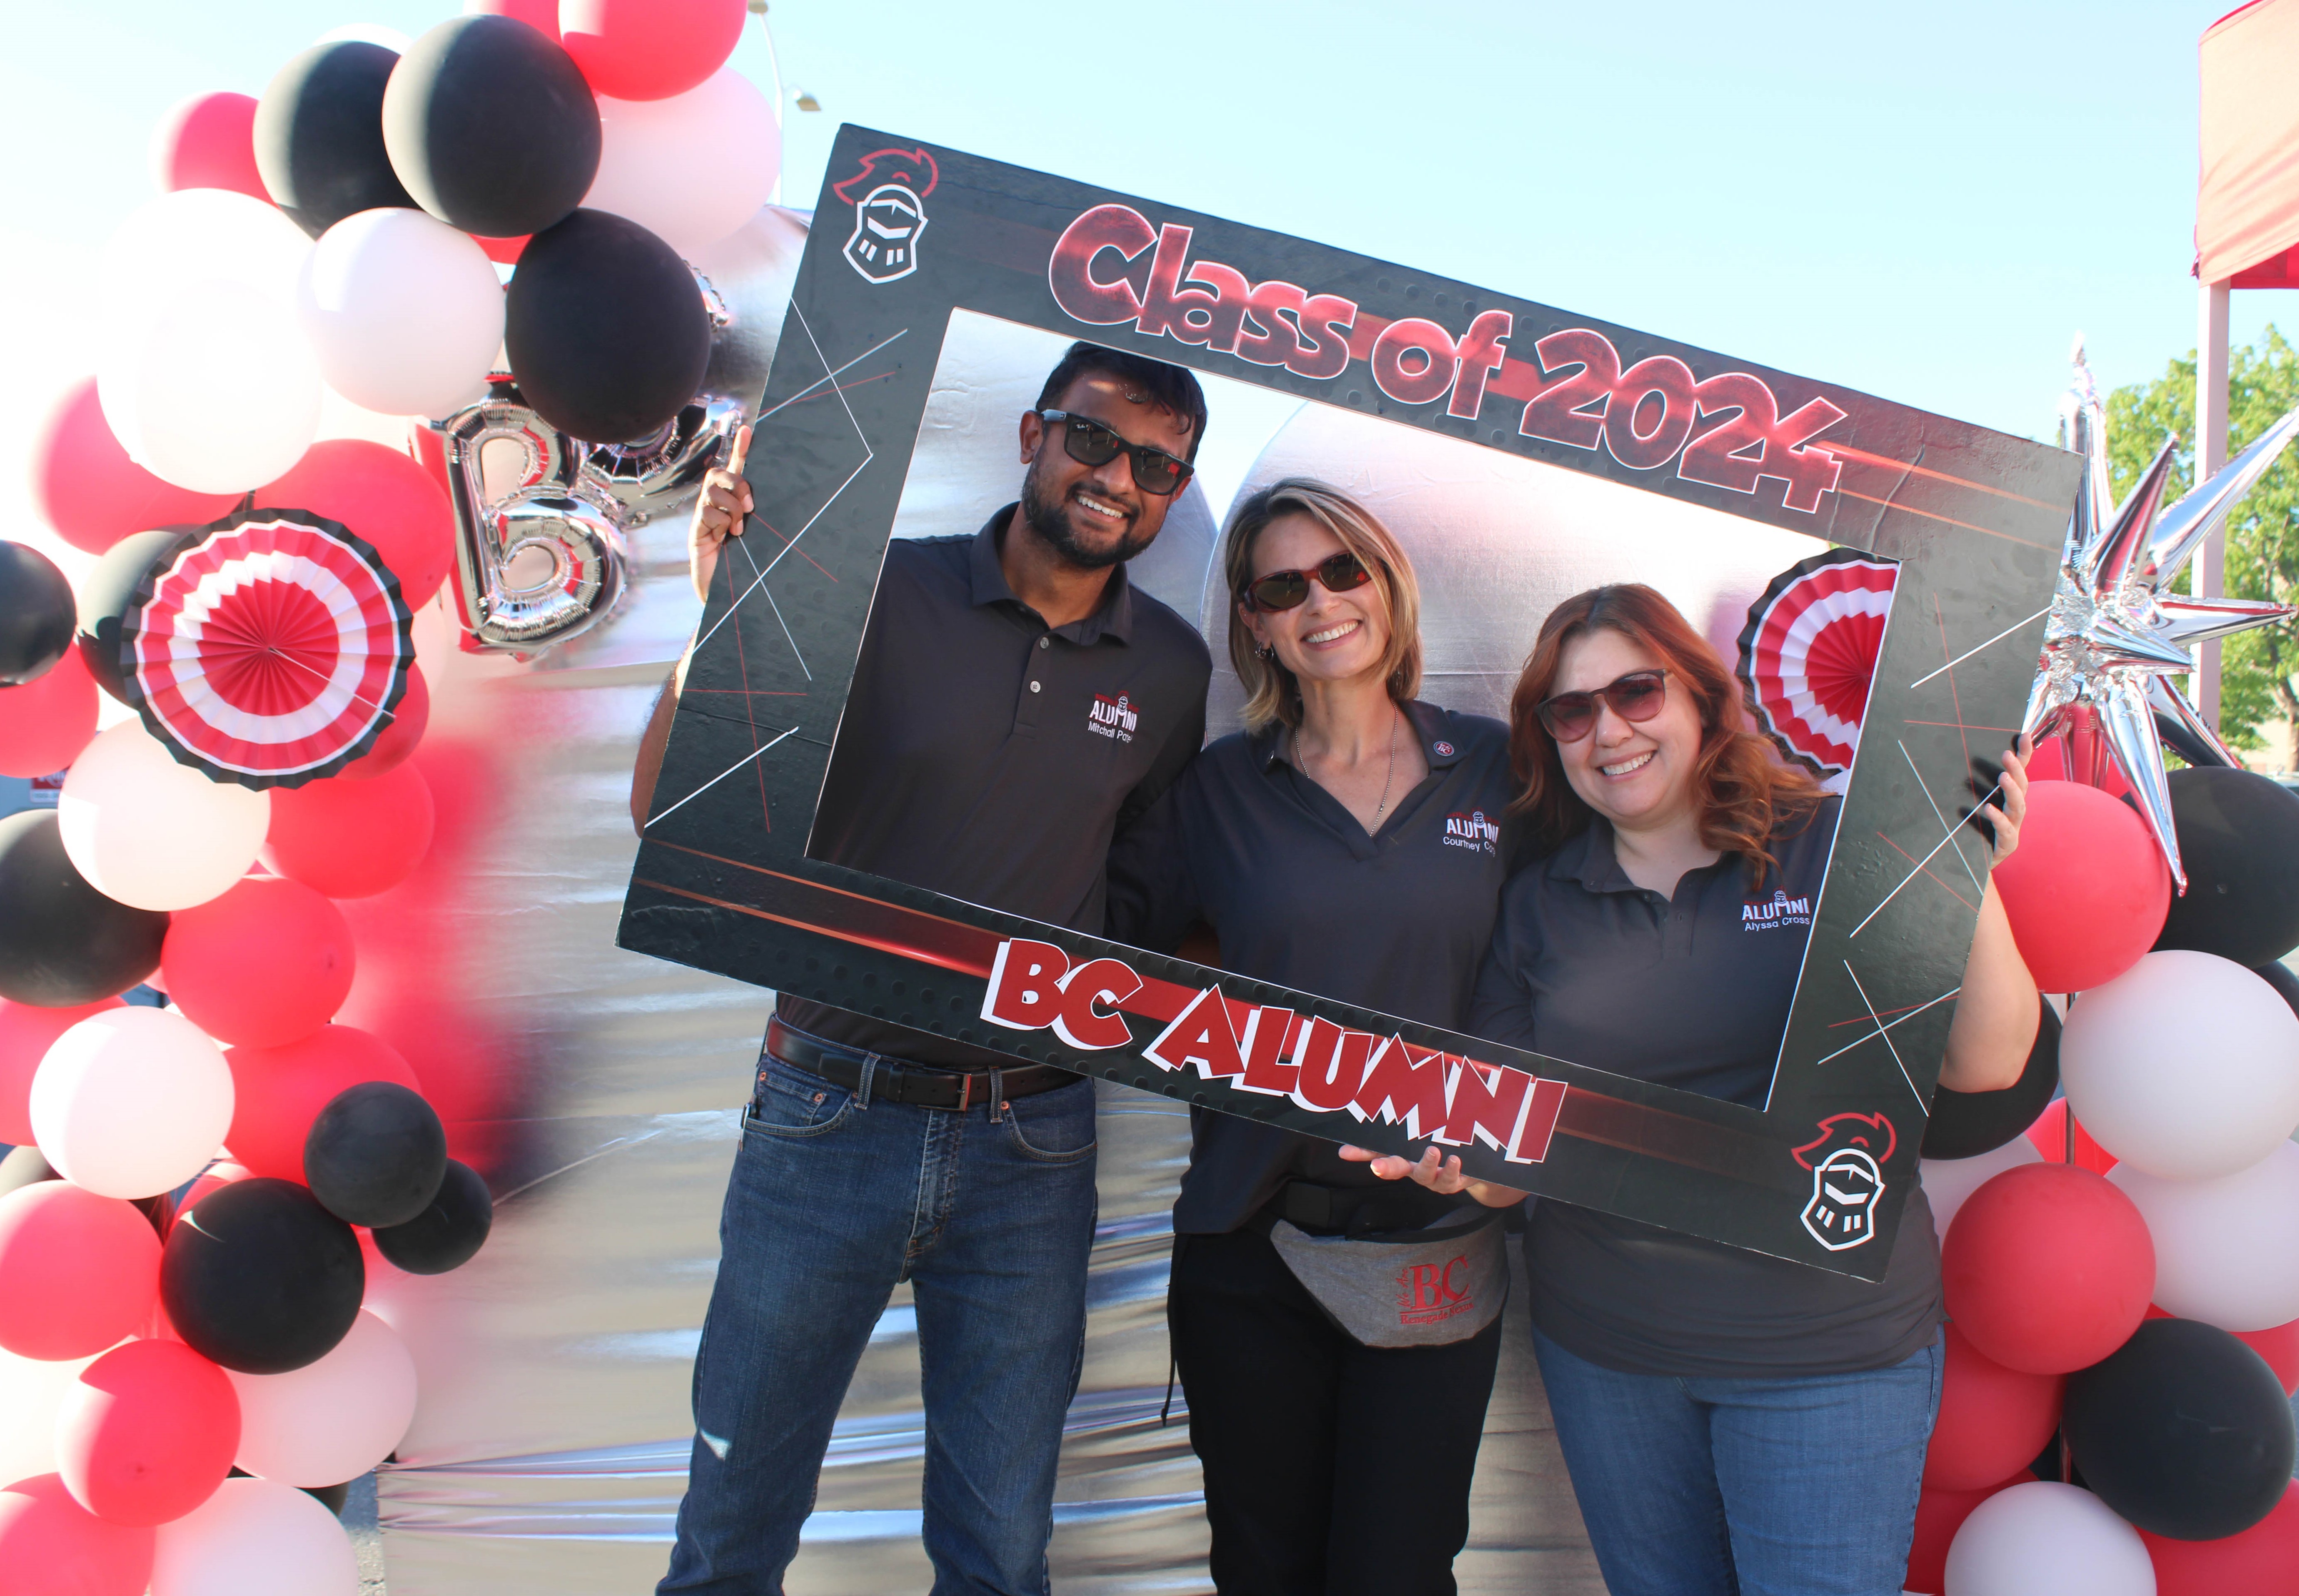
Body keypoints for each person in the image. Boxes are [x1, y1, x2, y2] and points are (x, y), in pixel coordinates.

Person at [636, 343, 1216, 1596]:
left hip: (1036, 1140)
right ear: (1032, 435)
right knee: (732, 1524)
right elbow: (675, 821)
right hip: (825, 1111)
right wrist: (723, 614)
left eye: (1159, 465)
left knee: (1002, 1552)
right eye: (1096, 440)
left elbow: (1144, 911)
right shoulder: (870, 589)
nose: (1121, 477)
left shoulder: (1173, 673)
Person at [1351, 583, 2037, 1596]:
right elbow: (1509, 1162)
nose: (1608, 731)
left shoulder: (1837, 841)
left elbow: (1987, 1060)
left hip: (1826, 1357)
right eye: (1572, 711)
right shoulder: (1540, 903)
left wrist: (1959, 869)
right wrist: (1450, 1159)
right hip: (1612, 1359)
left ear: (1704, 700)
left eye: (1636, 691)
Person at [1107, 479, 1517, 1596]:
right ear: (1254, 621)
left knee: (1397, 1574)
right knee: (1263, 1574)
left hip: (1434, 1245)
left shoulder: (1498, 768)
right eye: (1284, 586)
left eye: (1345, 571)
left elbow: (1568, 960)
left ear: (1389, 585)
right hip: (1252, 1255)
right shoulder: (1214, 792)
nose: (1320, 603)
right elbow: (1088, 954)